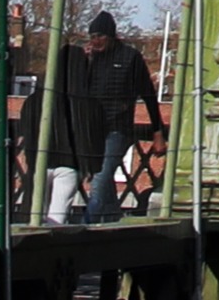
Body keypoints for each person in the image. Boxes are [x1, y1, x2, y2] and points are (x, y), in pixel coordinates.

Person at [50, 12, 158, 223]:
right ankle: (112, 220)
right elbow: (73, 89)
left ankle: (87, 228)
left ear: (111, 35)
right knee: (104, 180)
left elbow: (148, 95)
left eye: (100, 36)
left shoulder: (130, 57)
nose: (95, 41)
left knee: (99, 179)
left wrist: (157, 131)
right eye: (92, 36)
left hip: (118, 129)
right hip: (92, 131)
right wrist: (84, 62)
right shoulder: (89, 60)